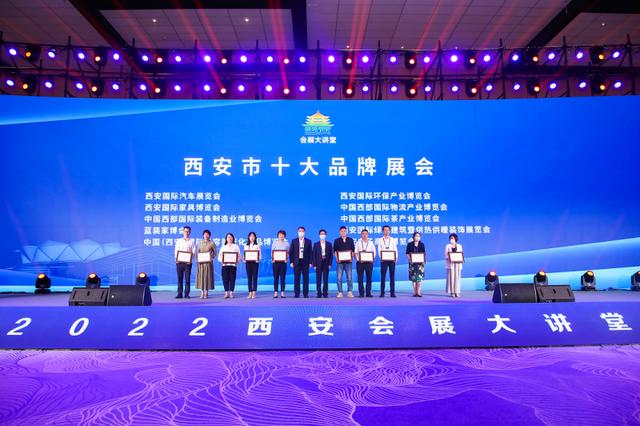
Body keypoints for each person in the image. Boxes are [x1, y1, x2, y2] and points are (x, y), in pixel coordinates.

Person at [289, 226, 313, 298]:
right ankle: (297, 293)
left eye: (302, 231)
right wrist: (291, 262)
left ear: (304, 232)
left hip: (305, 262)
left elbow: (310, 253)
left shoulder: (308, 241)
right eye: (300, 231)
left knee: (306, 278)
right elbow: (291, 252)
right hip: (297, 262)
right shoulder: (294, 241)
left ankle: (305, 294)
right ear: (298, 232)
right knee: (296, 278)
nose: (301, 232)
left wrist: (310, 262)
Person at [217, 233, 242, 299]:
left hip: (233, 265)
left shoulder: (236, 246)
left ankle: (231, 293)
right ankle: (226, 293)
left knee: (232, 279)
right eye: (228, 237)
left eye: (231, 237)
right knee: (225, 279)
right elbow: (219, 256)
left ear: (233, 238)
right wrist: (222, 260)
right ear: (226, 239)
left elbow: (239, 255)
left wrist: (237, 260)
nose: (229, 238)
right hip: (225, 265)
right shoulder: (223, 247)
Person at [174, 225, 196, 299]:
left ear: (190, 232)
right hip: (179, 263)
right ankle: (179, 294)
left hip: (188, 263)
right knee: (179, 279)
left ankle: (186, 294)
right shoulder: (179, 241)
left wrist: (190, 260)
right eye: (185, 231)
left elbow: (193, 252)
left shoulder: (192, 241)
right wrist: (177, 259)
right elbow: (176, 251)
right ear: (183, 232)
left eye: (188, 231)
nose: (186, 233)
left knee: (187, 279)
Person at [334, 226, 355, 298]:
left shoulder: (350, 240)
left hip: (348, 262)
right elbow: (335, 251)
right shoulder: (336, 240)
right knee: (339, 278)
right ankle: (340, 292)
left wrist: (351, 258)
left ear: (347, 232)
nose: (343, 232)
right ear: (340, 232)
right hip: (339, 263)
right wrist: (337, 258)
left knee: (349, 278)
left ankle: (350, 292)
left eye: (344, 231)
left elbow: (353, 251)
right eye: (342, 231)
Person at [377, 225, 398, 298]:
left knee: (392, 276)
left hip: (392, 260)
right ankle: (382, 292)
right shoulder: (380, 240)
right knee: (383, 276)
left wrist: (396, 257)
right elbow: (379, 249)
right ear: (383, 231)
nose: (386, 231)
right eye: (385, 230)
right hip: (384, 260)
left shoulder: (393, 239)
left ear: (390, 231)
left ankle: (392, 293)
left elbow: (395, 249)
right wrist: (381, 257)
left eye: (388, 230)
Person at [355, 229, 376, 297]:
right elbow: (355, 253)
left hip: (369, 263)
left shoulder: (371, 243)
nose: (364, 235)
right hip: (360, 263)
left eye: (366, 234)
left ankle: (368, 293)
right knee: (360, 278)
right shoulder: (358, 243)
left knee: (369, 278)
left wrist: (371, 259)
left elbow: (374, 252)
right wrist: (358, 260)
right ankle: (361, 293)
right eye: (363, 234)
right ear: (361, 235)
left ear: (368, 235)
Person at [196, 229, 216, 299]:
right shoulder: (199, 243)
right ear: (203, 235)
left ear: (209, 236)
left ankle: (206, 292)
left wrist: (210, 257)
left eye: (207, 234)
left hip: (208, 263)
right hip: (201, 263)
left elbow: (215, 253)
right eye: (205, 234)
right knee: (201, 277)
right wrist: (198, 260)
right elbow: (198, 252)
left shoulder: (212, 243)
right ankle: (202, 292)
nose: (206, 235)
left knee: (207, 277)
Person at [312, 229, 332, 298]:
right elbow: (314, 255)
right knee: (318, 279)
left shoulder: (329, 244)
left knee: (325, 279)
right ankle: (319, 293)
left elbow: (331, 255)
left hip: (326, 263)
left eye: (323, 234)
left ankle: (325, 292)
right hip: (318, 263)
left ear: (325, 235)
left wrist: (330, 264)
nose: (322, 235)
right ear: (319, 235)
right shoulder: (316, 244)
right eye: (321, 234)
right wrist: (314, 265)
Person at [406, 231, 426, 297]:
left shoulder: (422, 244)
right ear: (413, 237)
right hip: (412, 264)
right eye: (416, 236)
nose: (417, 237)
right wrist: (410, 260)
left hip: (420, 264)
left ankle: (419, 292)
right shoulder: (410, 244)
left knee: (419, 278)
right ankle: (415, 292)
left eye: (418, 236)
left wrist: (423, 260)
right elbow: (407, 253)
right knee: (413, 278)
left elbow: (424, 253)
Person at [271, 230, 289, 298]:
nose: (281, 236)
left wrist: (286, 258)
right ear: (278, 236)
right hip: (275, 262)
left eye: (282, 234)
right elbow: (272, 251)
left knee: (282, 278)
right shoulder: (275, 242)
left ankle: (282, 292)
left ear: (284, 236)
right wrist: (273, 258)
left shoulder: (287, 243)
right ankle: (275, 292)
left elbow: (288, 253)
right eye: (280, 234)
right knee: (276, 278)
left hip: (283, 263)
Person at [445, 233, 464, 298]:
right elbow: (445, 255)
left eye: (452, 238)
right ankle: (452, 292)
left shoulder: (459, 246)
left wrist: (460, 258)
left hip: (458, 264)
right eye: (450, 238)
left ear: (455, 239)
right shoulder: (447, 246)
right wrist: (450, 257)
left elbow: (461, 254)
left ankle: (457, 292)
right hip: (451, 264)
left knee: (457, 278)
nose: (451, 240)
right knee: (451, 278)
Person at [244, 231, 261, 299]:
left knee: (254, 278)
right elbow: (245, 254)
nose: (252, 237)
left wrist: (257, 259)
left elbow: (260, 255)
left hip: (255, 263)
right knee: (249, 278)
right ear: (248, 237)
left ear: (255, 237)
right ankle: (250, 292)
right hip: (248, 263)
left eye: (253, 236)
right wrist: (244, 259)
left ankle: (254, 292)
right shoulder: (246, 245)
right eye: (250, 236)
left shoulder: (257, 245)